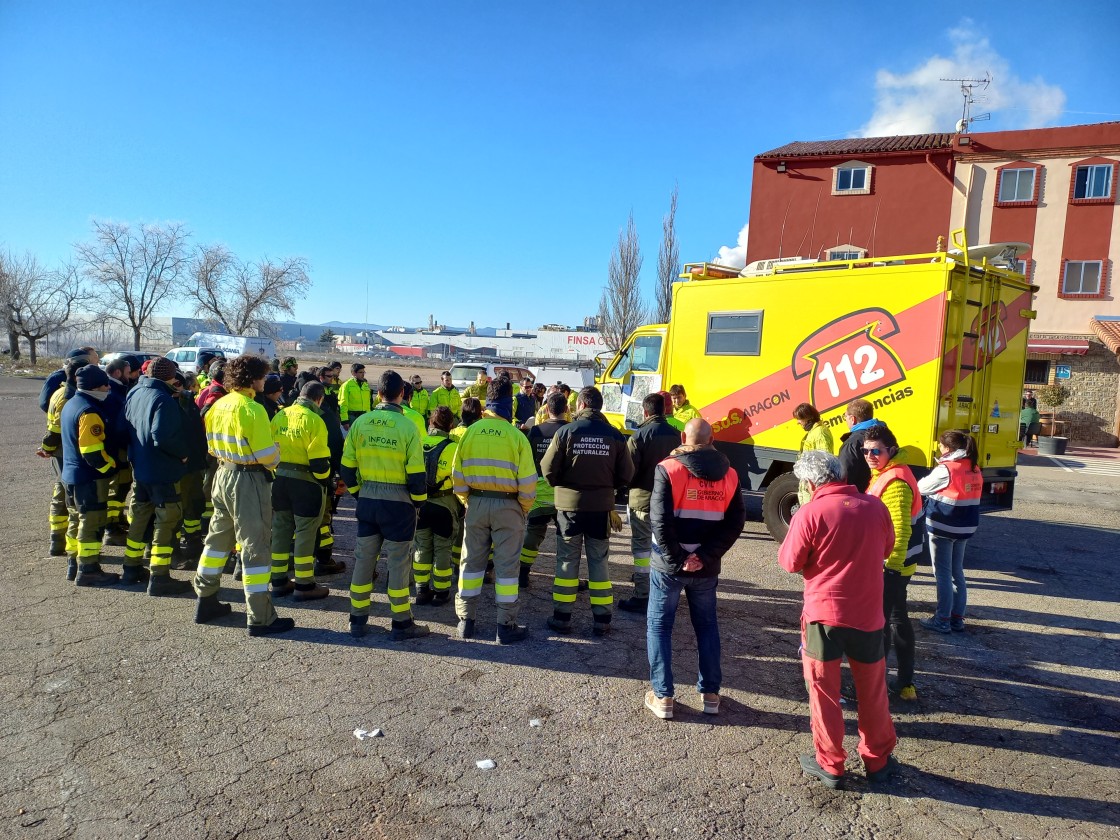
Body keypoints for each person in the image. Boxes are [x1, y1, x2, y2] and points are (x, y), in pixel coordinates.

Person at [778, 450, 899, 790]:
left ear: (810, 482)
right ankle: (877, 759)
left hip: (823, 618)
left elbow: (789, 562)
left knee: (823, 692)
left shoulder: (810, 513)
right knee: (873, 691)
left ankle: (830, 763)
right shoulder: (875, 507)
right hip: (868, 615)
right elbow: (887, 548)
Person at [644, 419, 745, 720]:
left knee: (660, 627)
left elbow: (660, 521)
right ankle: (710, 694)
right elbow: (735, 522)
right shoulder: (730, 474)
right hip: (705, 568)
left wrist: (680, 558)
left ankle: (663, 697)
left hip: (669, 566)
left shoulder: (668, 469)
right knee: (707, 626)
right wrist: (704, 556)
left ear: (682, 437)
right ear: (713, 438)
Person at [191, 354, 293, 636]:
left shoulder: (219, 404)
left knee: (216, 541)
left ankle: (205, 599)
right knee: (254, 546)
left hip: (222, 475)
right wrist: (277, 452)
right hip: (248, 481)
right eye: (262, 376)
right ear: (252, 379)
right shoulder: (252, 409)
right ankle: (260, 617)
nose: (265, 381)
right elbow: (266, 456)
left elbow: (211, 445)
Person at [342, 370, 430, 642]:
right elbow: (417, 475)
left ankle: (357, 619)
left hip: (368, 500)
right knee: (398, 563)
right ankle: (401, 624)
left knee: (363, 559)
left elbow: (346, 468)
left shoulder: (361, 423)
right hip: (399, 504)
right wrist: (418, 504)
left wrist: (359, 493)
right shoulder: (408, 427)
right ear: (402, 395)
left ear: (377, 394)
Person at [541, 385, 635, 636]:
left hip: (569, 509)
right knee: (599, 563)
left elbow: (548, 469)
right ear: (599, 406)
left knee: (566, 563)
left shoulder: (566, 431)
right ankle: (602, 619)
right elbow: (627, 473)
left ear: (581, 405)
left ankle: (562, 617)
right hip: (600, 509)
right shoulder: (615, 435)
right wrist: (606, 488)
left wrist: (563, 484)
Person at [451, 375, 537, 643]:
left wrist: (469, 501)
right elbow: (528, 483)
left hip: (476, 503)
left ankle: (466, 622)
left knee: (471, 564)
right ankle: (505, 626)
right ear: (509, 402)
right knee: (507, 567)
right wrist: (522, 508)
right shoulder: (516, 436)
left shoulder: (470, 432)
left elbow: (457, 476)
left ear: (487, 400)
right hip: (509, 507)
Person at [862, 424, 925, 701]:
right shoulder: (887, 473)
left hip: (893, 565)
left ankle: (879, 688)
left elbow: (899, 530)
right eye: (866, 451)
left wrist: (890, 568)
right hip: (898, 563)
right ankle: (904, 684)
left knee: (882, 624)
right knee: (898, 619)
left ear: (892, 450)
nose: (870, 456)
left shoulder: (895, 482)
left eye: (876, 451)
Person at [121, 356, 193, 594]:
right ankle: (159, 576)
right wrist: (183, 454)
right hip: (163, 470)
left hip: (140, 467)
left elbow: (125, 428)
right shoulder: (163, 399)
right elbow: (161, 435)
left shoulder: (135, 392)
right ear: (170, 377)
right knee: (166, 520)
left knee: (140, 516)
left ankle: (131, 567)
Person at [269, 380, 332, 602]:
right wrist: (326, 481)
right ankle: (304, 585)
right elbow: (319, 464)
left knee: (280, 529)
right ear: (319, 399)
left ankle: (278, 580)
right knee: (305, 532)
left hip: (280, 480)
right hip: (306, 484)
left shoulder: (280, 415)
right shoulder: (315, 420)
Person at [620, 392, 682, 614]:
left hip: (643, 501)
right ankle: (665, 594)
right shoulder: (678, 436)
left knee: (642, 550)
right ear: (664, 411)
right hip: (671, 503)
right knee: (665, 547)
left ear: (645, 412)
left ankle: (642, 595)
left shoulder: (638, 437)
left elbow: (628, 473)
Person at [59, 364, 121, 586]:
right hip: (89, 478)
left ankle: (74, 563)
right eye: (105, 384)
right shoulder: (90, 412)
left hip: (70, 475)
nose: (108, 388)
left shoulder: (71, 404)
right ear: (96, 386)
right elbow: (92, 452)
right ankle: (89, 569)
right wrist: (110, 468)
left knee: (76, 519)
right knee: (91, 522)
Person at [919, 429, 982, 634]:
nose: (938, 447)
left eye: (940, 444)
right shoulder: (973, 467)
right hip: (965, 525)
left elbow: (921, 487)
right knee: (957, 572)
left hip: (943, 525)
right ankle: (957, 618)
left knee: (942, 573)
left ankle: (942, 619)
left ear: (947, 448)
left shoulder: (947, 468)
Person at [37, 354, 89, 558]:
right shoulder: (67, 397)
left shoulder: (58, 392)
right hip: (65, 453)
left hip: (59, 452)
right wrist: (47, 447)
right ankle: (69, 547)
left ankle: (57, 539)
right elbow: (55, 430)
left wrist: (46, 447)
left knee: (59, 495)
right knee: (71, 501)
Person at [518, 392, 569, 588]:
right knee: (565, 537)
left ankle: (523, 572)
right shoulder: (570, 430)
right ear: (566, 409)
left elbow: (527, 461)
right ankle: (565, 575)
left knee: (533, 533)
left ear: (547, 409)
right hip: (563, 494)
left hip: (538, 492)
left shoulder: (536, 431)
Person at [413, 406, 460, 606]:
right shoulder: (453, 448)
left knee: (422, 546)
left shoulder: (419, 442)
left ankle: (421, 590)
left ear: (430, 423)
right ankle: (441, 591)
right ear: (450, 425)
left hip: (420, 504)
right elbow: (460, 478)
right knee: (443, 548)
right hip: (444, 504)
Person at [173, 371, 209, 564]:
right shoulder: (177, 404)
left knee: (193, 505)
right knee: (181, 507)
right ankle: (177, 548)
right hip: (184, 464)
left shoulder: (187, 402)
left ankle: (193, 541)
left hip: (193, 463)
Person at [836, 398, 884, 492]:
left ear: (852, 419)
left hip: (861, 498)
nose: (845, 420)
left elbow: (844, 479)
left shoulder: (852, 444)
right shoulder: (885, 435)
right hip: (884, 492)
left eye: (845, 416)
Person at [793, 403, 835, 505]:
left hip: (814, 484)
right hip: (810, 482)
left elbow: (824, 461)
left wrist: (815, 484)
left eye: (799, 419)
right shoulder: (815, 432)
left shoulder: (819, 433)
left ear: (808, 418)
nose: (798, 422)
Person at [39, 347, 99, 413]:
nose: (98, 361)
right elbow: (44, 403)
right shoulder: (58, 377)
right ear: (82, 360)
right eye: (95, 358)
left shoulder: (86, 376)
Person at [339, 363, 371, 428]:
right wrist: (344, 420)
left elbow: (368, 403)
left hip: (364, 417)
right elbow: (343, 403)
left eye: (363, 372)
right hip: (352, 418)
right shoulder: (346, 385)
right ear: (353, 373)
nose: (363, 374)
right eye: (360, 372)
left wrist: (369, 417)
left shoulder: (365, 385)